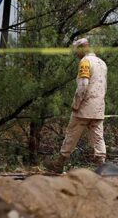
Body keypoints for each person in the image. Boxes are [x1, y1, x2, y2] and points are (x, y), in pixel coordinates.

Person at [44, 38, 108, 174]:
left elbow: (83, 85)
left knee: (71, 134)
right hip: (99, 107)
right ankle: (102, 166)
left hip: (84, 107)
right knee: (98, 137)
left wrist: (76, 104)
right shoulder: (102, 63)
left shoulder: (85, 62)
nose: (76, 54)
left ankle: (59, 164)